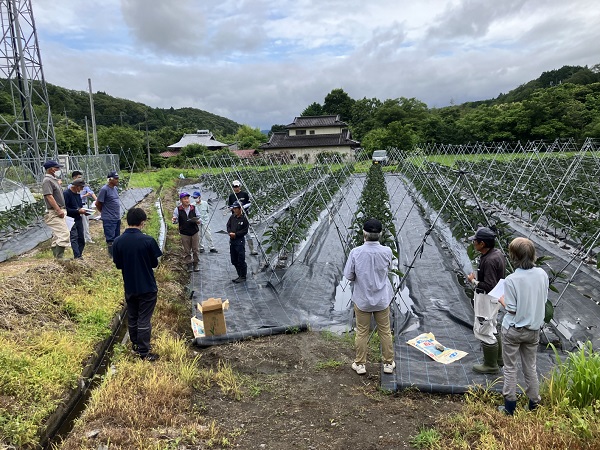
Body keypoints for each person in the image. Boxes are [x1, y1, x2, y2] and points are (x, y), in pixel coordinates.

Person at [498, 237, 549, 415]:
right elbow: (543, 298)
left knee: (510, 368)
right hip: (533, 330)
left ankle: (509, 407)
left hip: (513, 329)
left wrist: (501, 299)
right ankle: (534, 404)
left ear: (514, 257)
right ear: (533, 254)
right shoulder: (542, 274)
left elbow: (512, 309)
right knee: (531, 367)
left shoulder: (512, 280)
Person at [343, 218, 395, 375]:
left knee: (362, 331)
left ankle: (360, 364)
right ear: (380, 234)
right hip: (381, 300)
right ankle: (388, 363)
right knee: (385, 331)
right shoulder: (387, 251)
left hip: (363, 300)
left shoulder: (356, 252)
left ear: (363, 234)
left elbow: (349, 275)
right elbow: (389, 269)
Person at [112, 208, 163, 362]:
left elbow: (118, 265)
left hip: (130, 286)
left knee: (133, 317)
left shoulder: (118, 241)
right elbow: (154, 263)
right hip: (147, 286)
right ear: (142, 222)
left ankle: (135, 345)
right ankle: (144, 352)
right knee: (144, 319)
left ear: (128, 221)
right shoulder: (147, 240)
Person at [467, 226, 506, 374]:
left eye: (475, 241)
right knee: (493, 326)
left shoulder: (489, 260)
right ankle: (498, 359)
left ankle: (490, 365)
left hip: (487, 298)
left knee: (484, 330)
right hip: (495, 298)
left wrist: (473, 281)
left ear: (482, 244)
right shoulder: (497, 254)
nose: (473, 243)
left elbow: (489, 285)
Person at [42, 160, 70, 259]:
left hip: (59, 210)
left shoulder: (53, 179)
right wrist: (58, 210)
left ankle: (57, 258)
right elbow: (49, 196)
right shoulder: (47, 180)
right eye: (56, 168)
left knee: (57, 235)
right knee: (64, 233)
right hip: (54, 212)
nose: (58, 169)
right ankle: (59, 257)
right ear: (51, 169)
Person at [172, 192, 201, 272]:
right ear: (181, 200)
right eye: (185, 199)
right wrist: (174, 220)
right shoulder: (178, 209)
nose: (187, 200)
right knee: (186, 250)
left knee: (195, 249)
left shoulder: (194, 208)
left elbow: (199, 217)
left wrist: (198, 221)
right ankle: (188, 264)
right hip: (184, 232)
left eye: (187, 198)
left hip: (194, 231)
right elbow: (175, 220)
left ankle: (196, 264)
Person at [227, 180, 257, 255]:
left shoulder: (244, 194)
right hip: (235, 217)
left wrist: (243, 207)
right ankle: (233, 249)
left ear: (240, 186)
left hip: (244, 216)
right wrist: (232, 208)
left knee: (247, 232)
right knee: (233, 232)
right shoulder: (231, 196)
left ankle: (252, 249)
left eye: (237, 186)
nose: (236, 188)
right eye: (234, 186)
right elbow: (230, 205)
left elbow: (249, 203)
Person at [96, 171, 121, 256]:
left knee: (117, 236)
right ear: (110, 180)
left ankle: (117, 253)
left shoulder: (115, 189)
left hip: (117, 217)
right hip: (109, 218)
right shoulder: (104, 189)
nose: (118, 180)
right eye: (116, 178)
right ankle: (111, 254)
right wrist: (104, 213)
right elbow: (98, 203)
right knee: (110, 238)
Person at [64, 178, 87, 259]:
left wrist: (84, 211)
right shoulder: (66, 194)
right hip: (70, 219)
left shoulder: (77, 194)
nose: (82, 189)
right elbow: (65, 209)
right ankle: (77, 257)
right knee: (74, 237)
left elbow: (80, 205)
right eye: (81, 187)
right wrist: (77, 211)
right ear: (76, 186)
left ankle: (79, 255)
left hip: (78, 218)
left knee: (81, 239)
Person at [72, 170, 97, 243]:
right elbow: (76, 196)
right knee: (76, 223)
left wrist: (96, 201)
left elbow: (91, 192)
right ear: (74, 178)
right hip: (76, 207)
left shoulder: (84, 186)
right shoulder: (71, 187)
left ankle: (87, 238)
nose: (80, 179)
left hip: (84, 205)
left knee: (86, 222)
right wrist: (84, 195)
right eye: (79, 177)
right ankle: (79, 239)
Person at [227, 201, 249, 283]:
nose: (234, 210)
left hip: (239, 241)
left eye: (236, 208)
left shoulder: (244, 218)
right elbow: (228, 225)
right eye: (234, 208)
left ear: (240, 209)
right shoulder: (232, 217)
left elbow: (245, 230)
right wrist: (230, 233)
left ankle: (243, 276)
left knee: (241, 259)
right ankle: (239, 274)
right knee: (234, 259)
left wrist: (236, 234)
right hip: (232, 241)